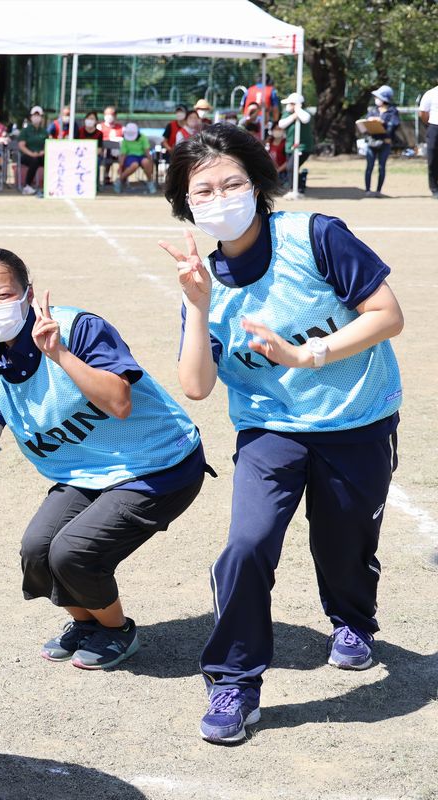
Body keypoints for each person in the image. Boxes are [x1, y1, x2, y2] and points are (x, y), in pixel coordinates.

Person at [159, 123, 404, 745]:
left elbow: (387, 315)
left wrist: (309, 355)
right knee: (247, 543)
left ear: (259, 183)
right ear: (186, 204)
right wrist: (193, 304)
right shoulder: (205, 283)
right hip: (271, 429)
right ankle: (234, 681)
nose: (220, 197)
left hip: (358, 417)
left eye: (232, 182)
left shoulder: (315, 236)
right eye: (203, 190)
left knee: (344, 542)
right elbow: (196, 386)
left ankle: (351, 621)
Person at [0, 249, 207, 671]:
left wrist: (60, 353)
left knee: (72, 552)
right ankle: (87, 624)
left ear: (28, 294)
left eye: (3, 293)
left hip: (160, 464)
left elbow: (120, 402)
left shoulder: (78, 328)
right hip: (88, 473)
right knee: (36, 550)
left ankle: (117, 631)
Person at [362, 85, 399, 197]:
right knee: (369, 166)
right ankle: (367, 190)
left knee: (382, 167)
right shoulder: (373, 110)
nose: (376, 99)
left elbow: (394, 125)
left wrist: (382, 122)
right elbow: (366, 126)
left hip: (385, 143)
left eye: (378, 97)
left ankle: (378, 190)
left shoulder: (392, 111)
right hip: (372, 141)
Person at [278, 92, 314, 190]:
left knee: (291, 167)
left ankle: (294, 189)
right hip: (290, 147)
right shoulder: (287, 114)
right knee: (292, 168)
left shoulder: (305, 112)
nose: (287, 106)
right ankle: (297, 186)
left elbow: (306, 119)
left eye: (290, 104)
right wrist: (293, 116)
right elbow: (281, 124)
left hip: (303, 147)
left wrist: (298, 109)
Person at [115, 122, 156, 194]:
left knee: (146, 162)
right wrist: (120, 166)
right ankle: (120, 180)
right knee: (134, 165)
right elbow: (123, 154)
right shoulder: (125, 140)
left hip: (142, 156)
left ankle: (150, 181)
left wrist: (150, 161)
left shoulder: (143, 137)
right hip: (130, 157)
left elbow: (147, 151)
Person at [17, 105, 47, 196]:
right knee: (34, 161)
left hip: (41, 155)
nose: (37, 117)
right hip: (27, 156)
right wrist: (31, 154)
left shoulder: (44, 132)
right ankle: (27, 186)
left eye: (39, 115)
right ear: (31, 117)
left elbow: (47, 144)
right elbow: (21, 145)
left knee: (49, 161)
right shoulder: (25, 131)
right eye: (34, 115)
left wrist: (43, 152)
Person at [421, 80, 438, 199]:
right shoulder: (431, 94)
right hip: (434, 127)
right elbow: (423, 113)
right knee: (433, 158)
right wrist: (430, 124)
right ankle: (434, 188)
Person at [99, 105, 124, 184]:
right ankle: (106, 175)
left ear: (115, 116)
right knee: (108, 151)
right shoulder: (99, 127)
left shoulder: (121, 128)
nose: (109, 116)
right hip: (104, 152)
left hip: (119, 152)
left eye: (111, 114)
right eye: (107, 114)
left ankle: (121, 176)